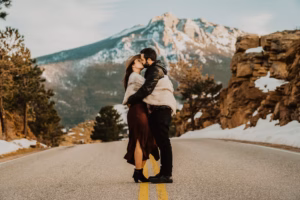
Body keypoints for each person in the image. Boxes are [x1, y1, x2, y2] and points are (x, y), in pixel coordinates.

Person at [126, 48, 175, 184]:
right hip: (159, 108)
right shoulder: (156, 69)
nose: (142, 61)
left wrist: (131, 99)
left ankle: (166, 174)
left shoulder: (154, 70)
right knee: (161, 142)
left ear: (149, 59)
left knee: (164, 142)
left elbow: (147, 89)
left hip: (161, 108)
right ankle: (163, 173)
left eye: (143, 59)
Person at [122, 54, 159, 183]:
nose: (141, 62)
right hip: (137, 111)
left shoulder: (136, 77)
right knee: (140, 140)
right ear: (133, 64)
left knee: (145, 140)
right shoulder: (135, 77)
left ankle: (138, 172)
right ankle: (138, 172)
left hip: (140, 110)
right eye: (138, 61)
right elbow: (150, 88)